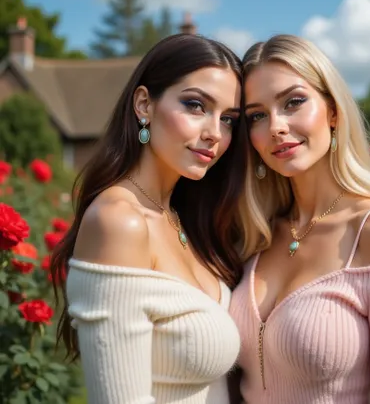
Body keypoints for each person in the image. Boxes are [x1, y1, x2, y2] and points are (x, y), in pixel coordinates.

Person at [229, 34, 370, 403]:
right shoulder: (253, 234)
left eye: (293, 102)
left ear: (333, 111)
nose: (275, 126)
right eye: (257, 115)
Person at [51, 34, 247, 404]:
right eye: (195, 105)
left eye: (229, 120)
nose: (214, 133)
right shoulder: (119, 222)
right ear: (144, 104)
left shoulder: (181, 217)